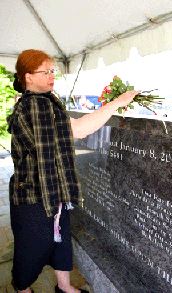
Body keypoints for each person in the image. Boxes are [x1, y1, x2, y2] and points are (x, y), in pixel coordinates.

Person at [7, 49, 139, 293]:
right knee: (33, 246)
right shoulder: (35, 105)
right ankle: (22, 288)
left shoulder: (41, 101)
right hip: (35, 194)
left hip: (52, 189)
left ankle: (65, 286)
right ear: (28, 77)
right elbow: (78, 129)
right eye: (44, 72)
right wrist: (117, 103)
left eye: (52, 71)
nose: (51, 76)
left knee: (60, 239)